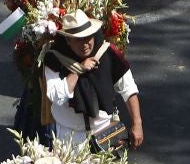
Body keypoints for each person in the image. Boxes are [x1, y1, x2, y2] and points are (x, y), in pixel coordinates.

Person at [44, 10, 143, 147]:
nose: (85, 44)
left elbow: (129, 89)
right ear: (68, 40)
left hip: (105, 131)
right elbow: (57, 96)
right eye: (78, 40)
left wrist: (137, 124)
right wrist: (78, 70)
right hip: (70, 138)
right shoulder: (54, 59)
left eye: (87, 38)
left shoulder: (107, 53)